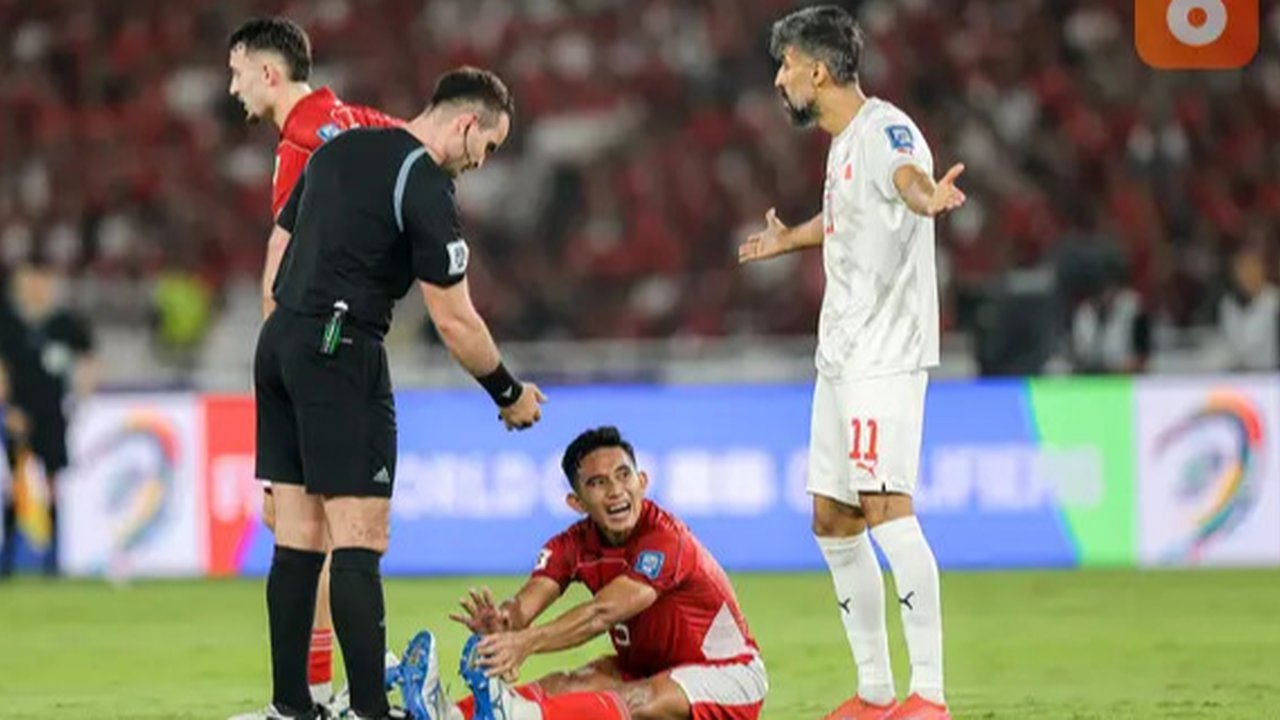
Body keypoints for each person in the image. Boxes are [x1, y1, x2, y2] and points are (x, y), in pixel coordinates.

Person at [238, 66, 546, 720]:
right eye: (486, 148)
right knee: (359, 538)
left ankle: (290, 707)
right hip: (341, 348)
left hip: (281, 343)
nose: (481, 163)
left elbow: (279, 244)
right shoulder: (423, 181)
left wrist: (285, 335)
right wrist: (507, 392)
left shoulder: (336, 148)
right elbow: (456, 320)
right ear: (465, 123)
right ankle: (373, 712)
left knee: (297, 537)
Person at [737, 6, 965, 720]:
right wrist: (790, 240)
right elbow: (847, 220)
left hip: (883, 356)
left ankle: (928, 693)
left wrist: (928, 196)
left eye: (786, 66)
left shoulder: (886, 129)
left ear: (820, 69)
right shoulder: (841, 146)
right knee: (833, 519)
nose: (779, 80)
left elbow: (906, 179)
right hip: (838, 356)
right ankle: (874, 692)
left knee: (887, 510)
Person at [227, 16, 402, 706]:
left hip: (319, 347)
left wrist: (285, 372)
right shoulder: (350, 116)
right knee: (320, 525)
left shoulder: (304, 140)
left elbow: (286, 268)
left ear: (270, 72)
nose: (232, 86)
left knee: (312, 524)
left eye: (238, 72)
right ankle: (339, 680)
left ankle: (335, 685)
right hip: (351, 335)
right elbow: (417, 154)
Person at [395, 426, 769, 720]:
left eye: (624, 475)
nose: (616, 491)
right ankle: (446, 714)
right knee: (565, 684)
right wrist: (506, 626)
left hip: (728, 674)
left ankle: (514, 716)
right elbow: (528, 601)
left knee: (635, 700)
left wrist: (525, 644)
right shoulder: (572, 544)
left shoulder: (666, 539)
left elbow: (601, 613)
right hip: (646, 667)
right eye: (598, 483)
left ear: (643, 481)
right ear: (576, 502)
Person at [0, 256, 97, 578]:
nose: (35, 289)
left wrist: (79, 396)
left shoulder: (63, 323)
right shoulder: (8, 322)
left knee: (54, 485)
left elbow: (88, 358)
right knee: (14, 487)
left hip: (54, 414)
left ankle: (53, 560)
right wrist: (7, 408)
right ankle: (9, 560)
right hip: (19, 415)